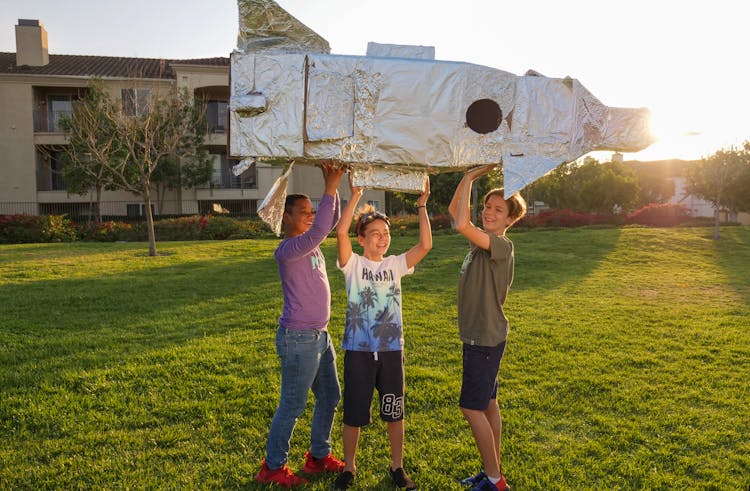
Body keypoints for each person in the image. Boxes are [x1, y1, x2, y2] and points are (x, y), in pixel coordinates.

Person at [332, 176, 432, 490]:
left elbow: (425, 245)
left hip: (390, 351)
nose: (382, 238)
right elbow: (339, 231)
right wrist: (355, 196)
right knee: (354, 413)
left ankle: (397, 467)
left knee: (394, 410)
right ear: (361, 238)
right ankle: (349, 468)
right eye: (374, 234)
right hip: (358, 351)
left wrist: (422, 205)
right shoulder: (353, 265)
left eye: (385, 233)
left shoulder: (396, 264)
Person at [255, 161, 348, 488]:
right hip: (299, 340)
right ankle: (272, 467)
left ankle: (318, 457)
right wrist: (331, 187)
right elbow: (323, 226)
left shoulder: (310, 241)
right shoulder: (289, 249)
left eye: (312, 211)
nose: (310, 216)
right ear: (287, 216)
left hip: (320, 337)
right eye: (304, 211)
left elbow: (329, 221)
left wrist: (331, 184)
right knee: (292, 405)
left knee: (330, 396)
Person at [448, 164, 527, 491]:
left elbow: (461, 221)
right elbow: (457, 212)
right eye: (487, 207)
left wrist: (470, 177)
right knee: (488, 403)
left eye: (498, 209)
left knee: (470, 406)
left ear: (510, 219)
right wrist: (468, 180)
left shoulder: (501, 246)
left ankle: (496, 481)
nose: (489, 212)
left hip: (485, 339)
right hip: (482, 338)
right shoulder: (480, 245)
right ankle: (491, 469)